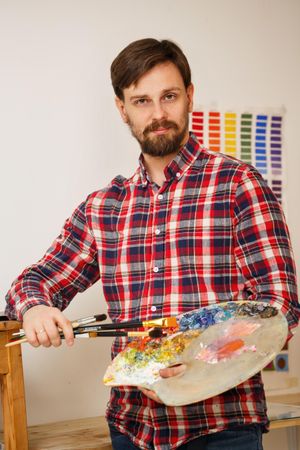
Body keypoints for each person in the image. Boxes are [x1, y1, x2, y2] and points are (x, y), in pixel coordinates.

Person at [5, 38, 299, 450]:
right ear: (121, 109)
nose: (158, 114)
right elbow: (32, 282)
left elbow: (280, 309)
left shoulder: (238, 184)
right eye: (141, 101)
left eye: (169, 96)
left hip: (221, 428)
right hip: (131, 428)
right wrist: (34, 307)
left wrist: (199, 359)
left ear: (189, 96)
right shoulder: (104, 206)